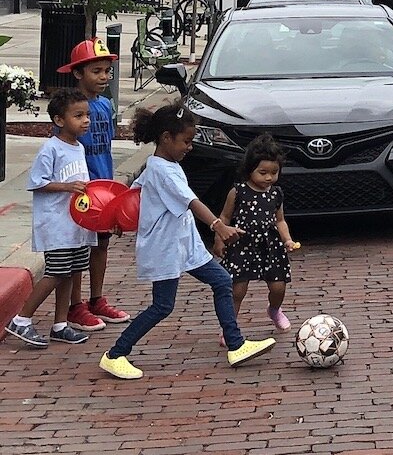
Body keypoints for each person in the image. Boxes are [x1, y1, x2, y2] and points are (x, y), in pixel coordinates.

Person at [99, 104, 277, 380]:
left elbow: (133, 195)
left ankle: (236, 345)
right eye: (186, 141)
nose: (190, 147)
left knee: (221, 281)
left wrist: (118, 220)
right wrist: (219, 226)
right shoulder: (164, 171)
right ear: (167, 137)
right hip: (167, 248)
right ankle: (115, 354)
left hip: (184, 245)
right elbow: (191, 201)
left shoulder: (161, 165)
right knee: (162, 306)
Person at [4, 90, 96, 348]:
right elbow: (36, 182)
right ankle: (21, 319)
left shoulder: (78, 148)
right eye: (78, 116)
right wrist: (67, 187)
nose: (85, 120)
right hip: (56, 225)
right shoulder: (51, 149)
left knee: (70, 273)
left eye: (87, 115)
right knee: (55, 272)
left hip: (76, 225)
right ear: (59, 120)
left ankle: (60, 324)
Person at [56, 39, 129, 332]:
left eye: (106, 71)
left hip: (103, 185)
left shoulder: (104, 105)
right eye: (96, 71)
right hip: (80, 188)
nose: (103, 77)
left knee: (101, 243)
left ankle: (96, 298)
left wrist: (111, 184)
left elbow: (106, 146)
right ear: (77, 73)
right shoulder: (70, 109)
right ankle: (75, 305)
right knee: (78, 247)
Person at [214, 134, 298, 339]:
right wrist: (219, 239)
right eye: (263, 172)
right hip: (242, 245)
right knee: (237, 291)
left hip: (270, 246)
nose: (269, 177)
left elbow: (280, 220)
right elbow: (224, 216)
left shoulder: (276, 193)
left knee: (278, 286)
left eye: (274, 172)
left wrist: (287, 239)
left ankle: (274, 310)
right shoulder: (238, 191)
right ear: (250, 169)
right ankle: (230, 328)